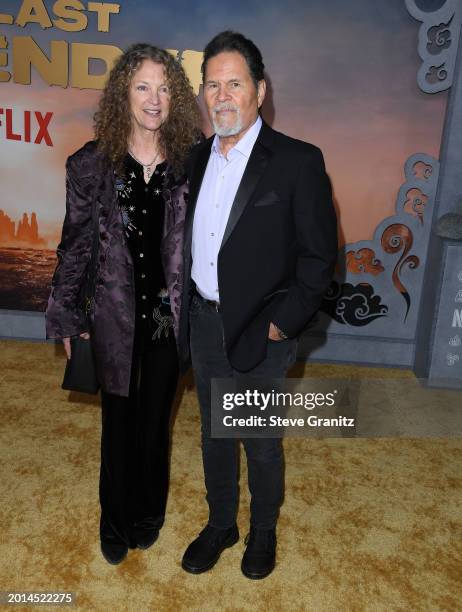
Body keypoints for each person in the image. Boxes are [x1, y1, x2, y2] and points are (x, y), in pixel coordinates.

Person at [178, 31, 338, 579]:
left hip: (262, 329)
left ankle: (263, 531)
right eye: (213, 85)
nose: (222, 95)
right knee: (213, 433)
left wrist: (283, 325)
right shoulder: (193, 159)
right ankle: (221, 523)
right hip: (202, 320)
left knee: (259, 441)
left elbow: (319, 258)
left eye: (235, 83)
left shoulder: (297, 161)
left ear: (260, 90)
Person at [46, 43, 201, 565]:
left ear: (176, 97)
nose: (154, 98)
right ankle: (113, 519)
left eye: (164, 87)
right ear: (123, 94)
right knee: (118, 423)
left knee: (156, 423)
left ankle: (148, 514)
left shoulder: (191, 164)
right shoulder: (91, 165)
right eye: (143, 86)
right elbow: (75, 246)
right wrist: (67, 314)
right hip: (109, 317)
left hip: (167, 319)